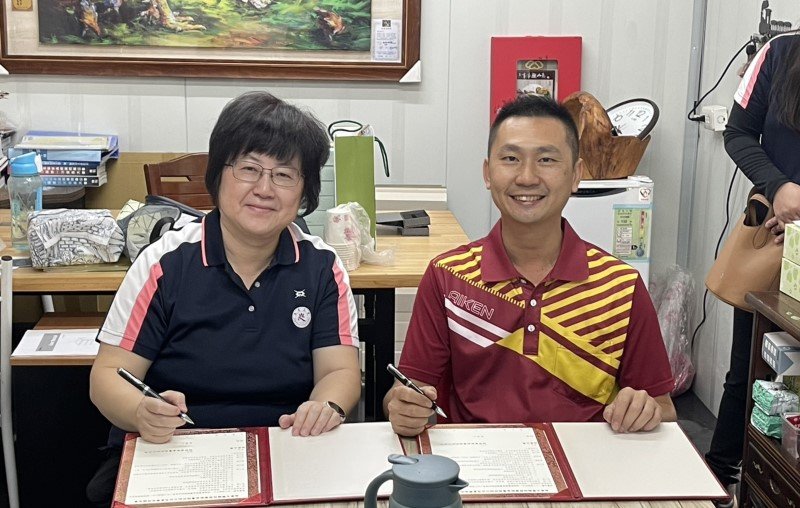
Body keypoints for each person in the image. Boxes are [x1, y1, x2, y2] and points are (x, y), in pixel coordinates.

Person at [86, 91, 361, 506]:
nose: (264, 189)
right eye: (249, 169)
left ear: (305, 190)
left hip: (287, 445)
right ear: (218, 174)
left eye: (284, 175)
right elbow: (108, 376)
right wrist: (142, 411)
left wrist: (325, 406)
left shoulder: (322, 266)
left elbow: (340, 370)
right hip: (179, 447)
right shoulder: (164, 263)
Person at [383, 94, 676, 437]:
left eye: (546, 160)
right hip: (475, 462)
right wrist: (402, 407)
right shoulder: (447, 277)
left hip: (585, 462)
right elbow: (409, 389)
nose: (526, 177)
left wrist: (643, 410)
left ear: (576, 175)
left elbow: (663, 408)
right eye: (510, 158)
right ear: (488, 173)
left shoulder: (621, 286)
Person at [706, 31, 800, 502]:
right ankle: (720, 473)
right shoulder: (780, 52)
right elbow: (738, 133)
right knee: (750, 368)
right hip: (775, 246)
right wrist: (778, 186)